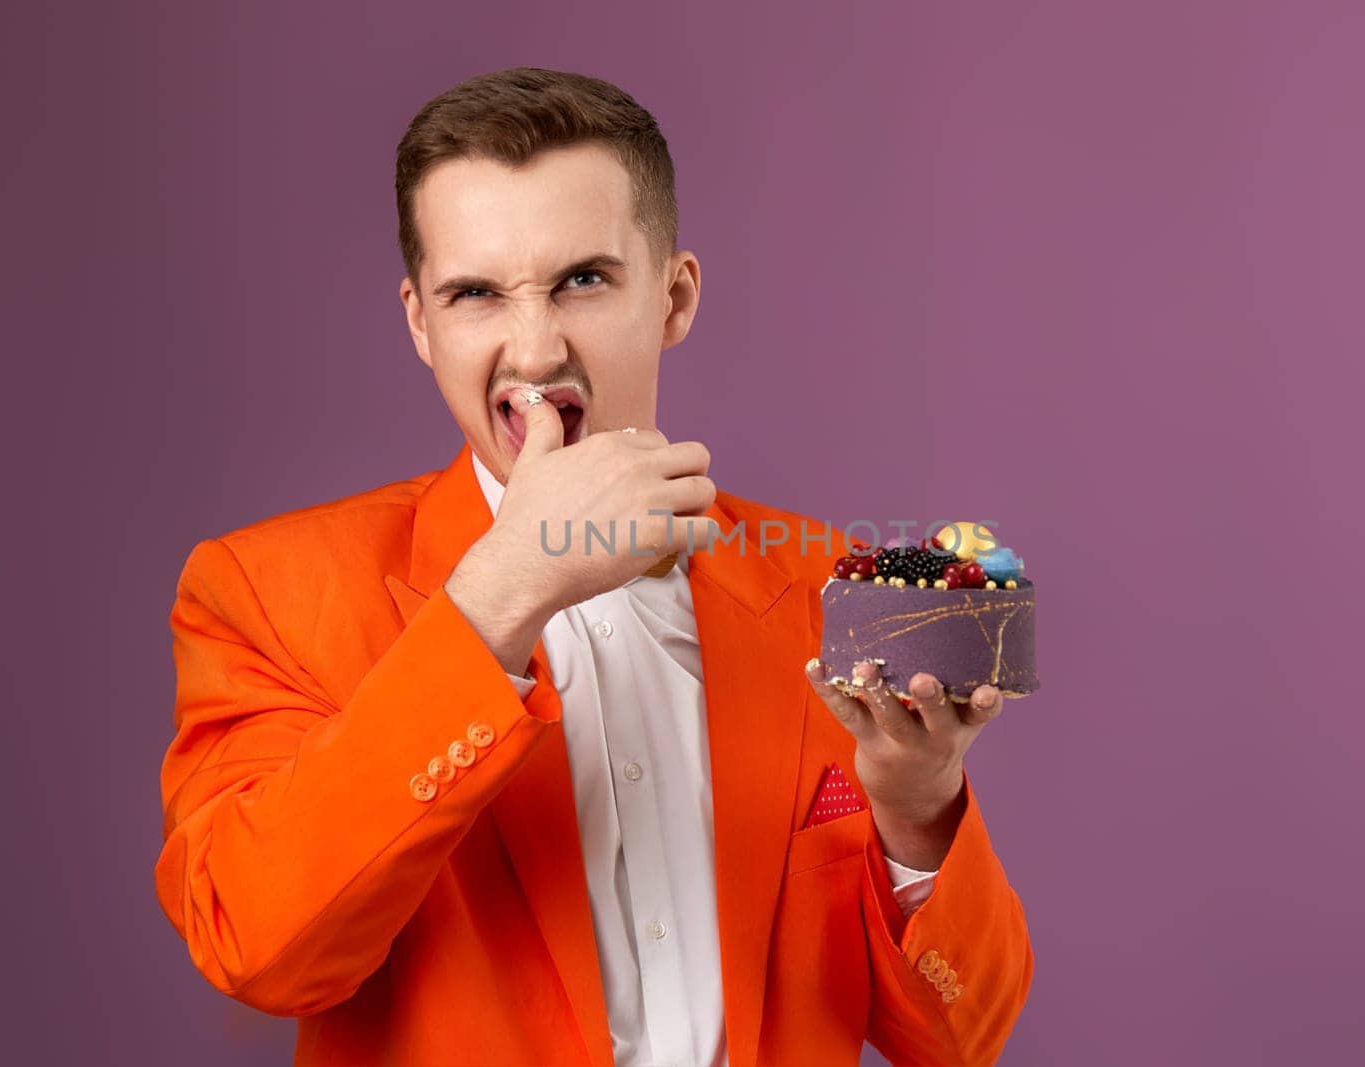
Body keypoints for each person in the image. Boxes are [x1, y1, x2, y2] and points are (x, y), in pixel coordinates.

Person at [154, 67, 1034, 1066]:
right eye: (476, 293)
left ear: (674, 295)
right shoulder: (265, 590)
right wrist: (501, 591)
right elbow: (259, 951)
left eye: (583, 279)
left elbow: (964, 1032)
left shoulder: (830, 586)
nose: (533, 351)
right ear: (420, 323)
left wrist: (916, 803)